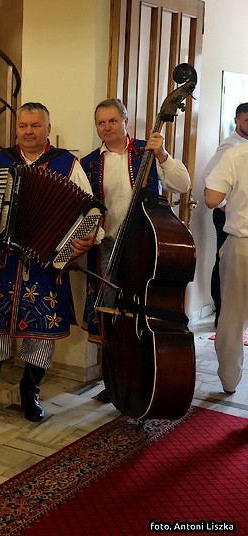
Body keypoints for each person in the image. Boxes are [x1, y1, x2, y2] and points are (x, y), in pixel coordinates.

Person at [0, 102, 96, 422]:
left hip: (47, 265)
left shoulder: (67, 164)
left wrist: (88, 237)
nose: (28, 132)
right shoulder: (0, 161)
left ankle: (30, 394)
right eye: (23, 126)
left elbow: (89, 211)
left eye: (35, 126)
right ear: (16, 129)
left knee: (40, 333)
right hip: (3, 261)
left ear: (48, 129)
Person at [80, 98, 191, 400]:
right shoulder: (89, 163)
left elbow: (182, 184)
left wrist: (163, 155)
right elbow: (84, 208)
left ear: (125, 122)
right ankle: (113, 380)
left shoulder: (148, 151)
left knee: (143, 310)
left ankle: (146, 373)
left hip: (145, 246)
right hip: (107, 247)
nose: (107, 127)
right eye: (101, 122)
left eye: (113, 121)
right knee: (111, 313)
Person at [205, 140, 248, 394]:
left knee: (232, 316)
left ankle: (230, 380)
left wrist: (230, 204)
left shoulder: (236, 154)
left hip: (242, 244)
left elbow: (212, 199)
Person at [201, 102, 248, 327]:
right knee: (224, 265)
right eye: (247, 120)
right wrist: (226, 205)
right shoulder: (231, 147)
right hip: (227, 215)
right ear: (237, 120)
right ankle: (221, 313)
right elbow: (208, 176)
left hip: (236, 216)